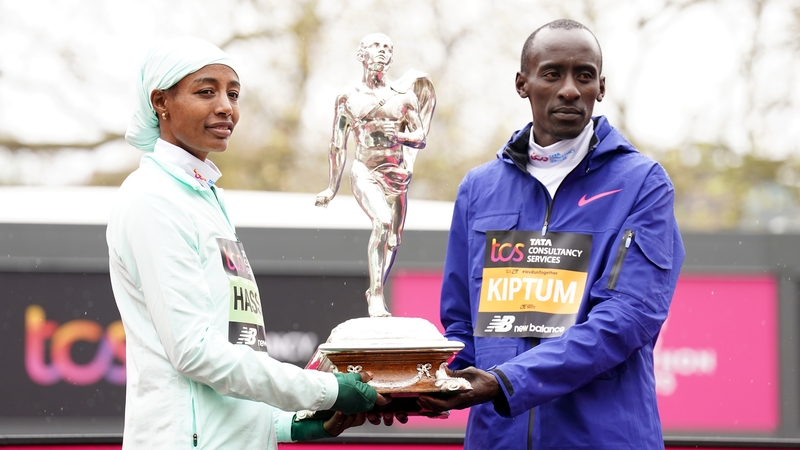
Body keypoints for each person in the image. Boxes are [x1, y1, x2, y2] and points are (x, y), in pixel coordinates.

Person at [107, 37, 389, 450]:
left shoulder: (203, 195)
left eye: (233, 94)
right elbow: (195, 353)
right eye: (207, 91)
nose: (226, 107)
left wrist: (290, 424)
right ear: (161, 101)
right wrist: (326, 390)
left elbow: (232, 359)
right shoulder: (153, 197)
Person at [417, 19, 685, 449]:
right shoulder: (479, 189)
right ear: (522, 84)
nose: (569, 90)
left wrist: (506, 382)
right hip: (496, 440)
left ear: (601, 87)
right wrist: (418, 385)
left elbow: (626, 319)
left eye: (584, 75)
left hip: (602, 440)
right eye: (552, 74)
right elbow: (462, 324)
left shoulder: (643, 184)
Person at [315, 33, 435, 318]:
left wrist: (402, 137)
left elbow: (420, 137)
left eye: (388, 48)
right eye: (376, 46)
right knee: (382, 222)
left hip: (396, 173)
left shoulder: (403, 97)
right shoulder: (348, 98)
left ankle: (376, 284)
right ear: (362, 54)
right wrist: (331, 188)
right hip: (365, 170)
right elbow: (337, 145)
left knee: (394, 238)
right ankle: (377, 294)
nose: (383, 51)